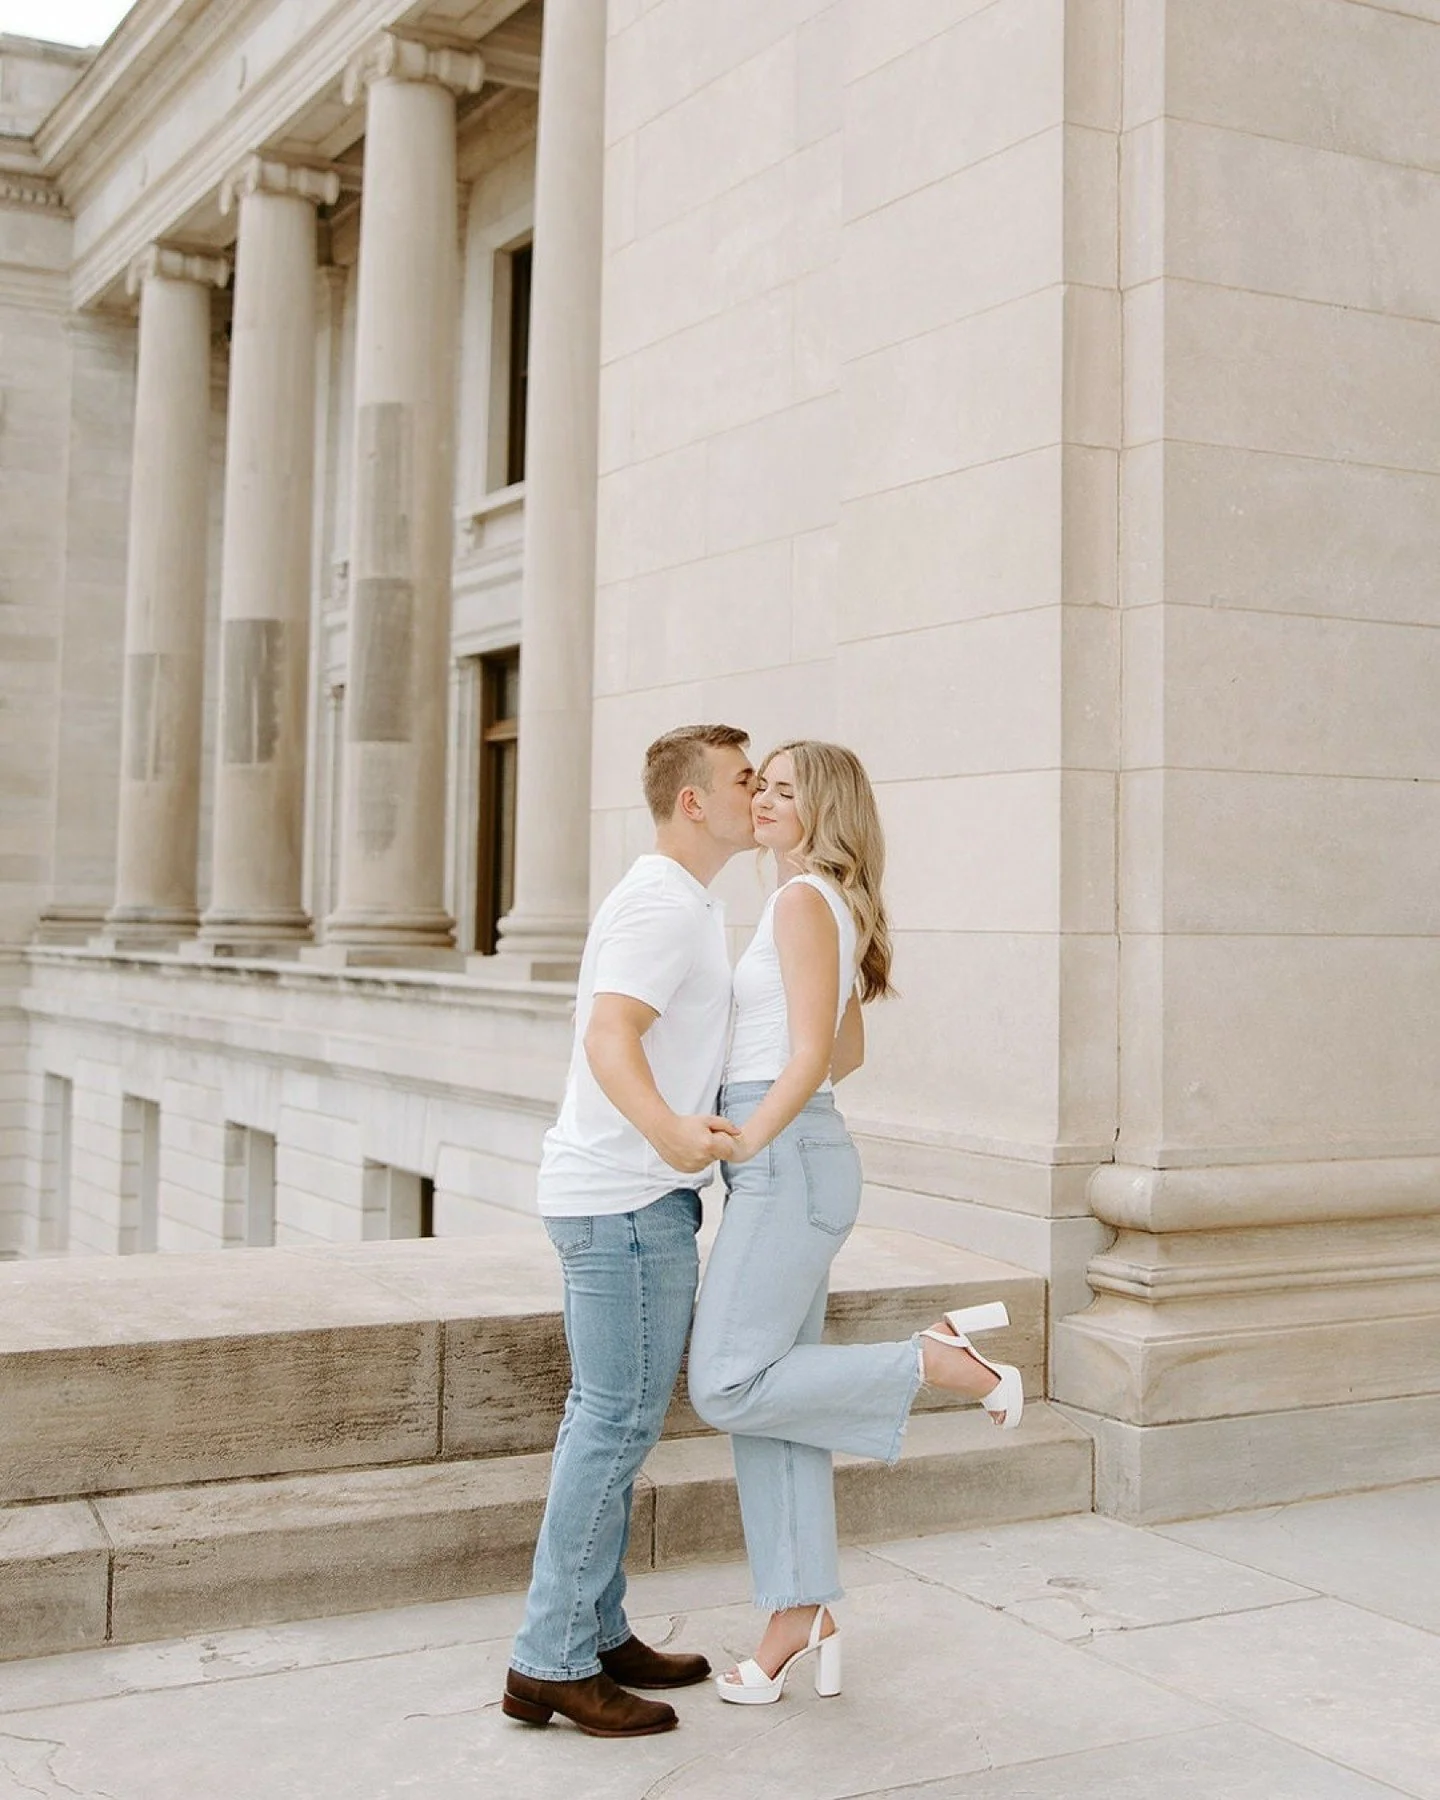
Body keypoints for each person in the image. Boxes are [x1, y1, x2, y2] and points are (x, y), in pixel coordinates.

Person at [687, 740, 1024, 1706]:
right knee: (777, 1406)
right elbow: (848, 1051)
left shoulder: (799, 902)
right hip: (806, 1156)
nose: (764, 799)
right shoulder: (821, 902)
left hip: (783, 1158)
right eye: (765, 784)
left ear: (822, 810)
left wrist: (743, 1137)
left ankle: (935, 1359)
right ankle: (800, 1614)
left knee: (727, 1383)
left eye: (787, 791)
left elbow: (805, 1060)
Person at [503, 723, 758, 1739]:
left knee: (613, 1422)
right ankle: (551, 1659)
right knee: (610, 1426)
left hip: (621, 1196)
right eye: (742, 779)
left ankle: (595, 1631)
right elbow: (610, 1031)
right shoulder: (661, 901)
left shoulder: (685, 901)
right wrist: (671, 1136)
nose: (757, 790)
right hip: (622, 1198)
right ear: (692, 800)